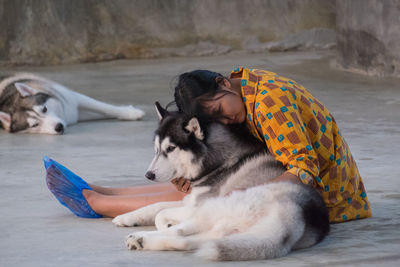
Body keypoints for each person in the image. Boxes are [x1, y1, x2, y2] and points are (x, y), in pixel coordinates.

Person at [46, 67, 371, 223]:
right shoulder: (248, 85)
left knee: (211, 196)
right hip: (275, 171)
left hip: (329, 198)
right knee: (198, 187)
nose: (224, 119)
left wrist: (240, 196)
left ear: (223, 84)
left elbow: (304, 169)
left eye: (218, 110)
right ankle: (102, 192)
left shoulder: (271, 102)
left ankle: (98, 203)